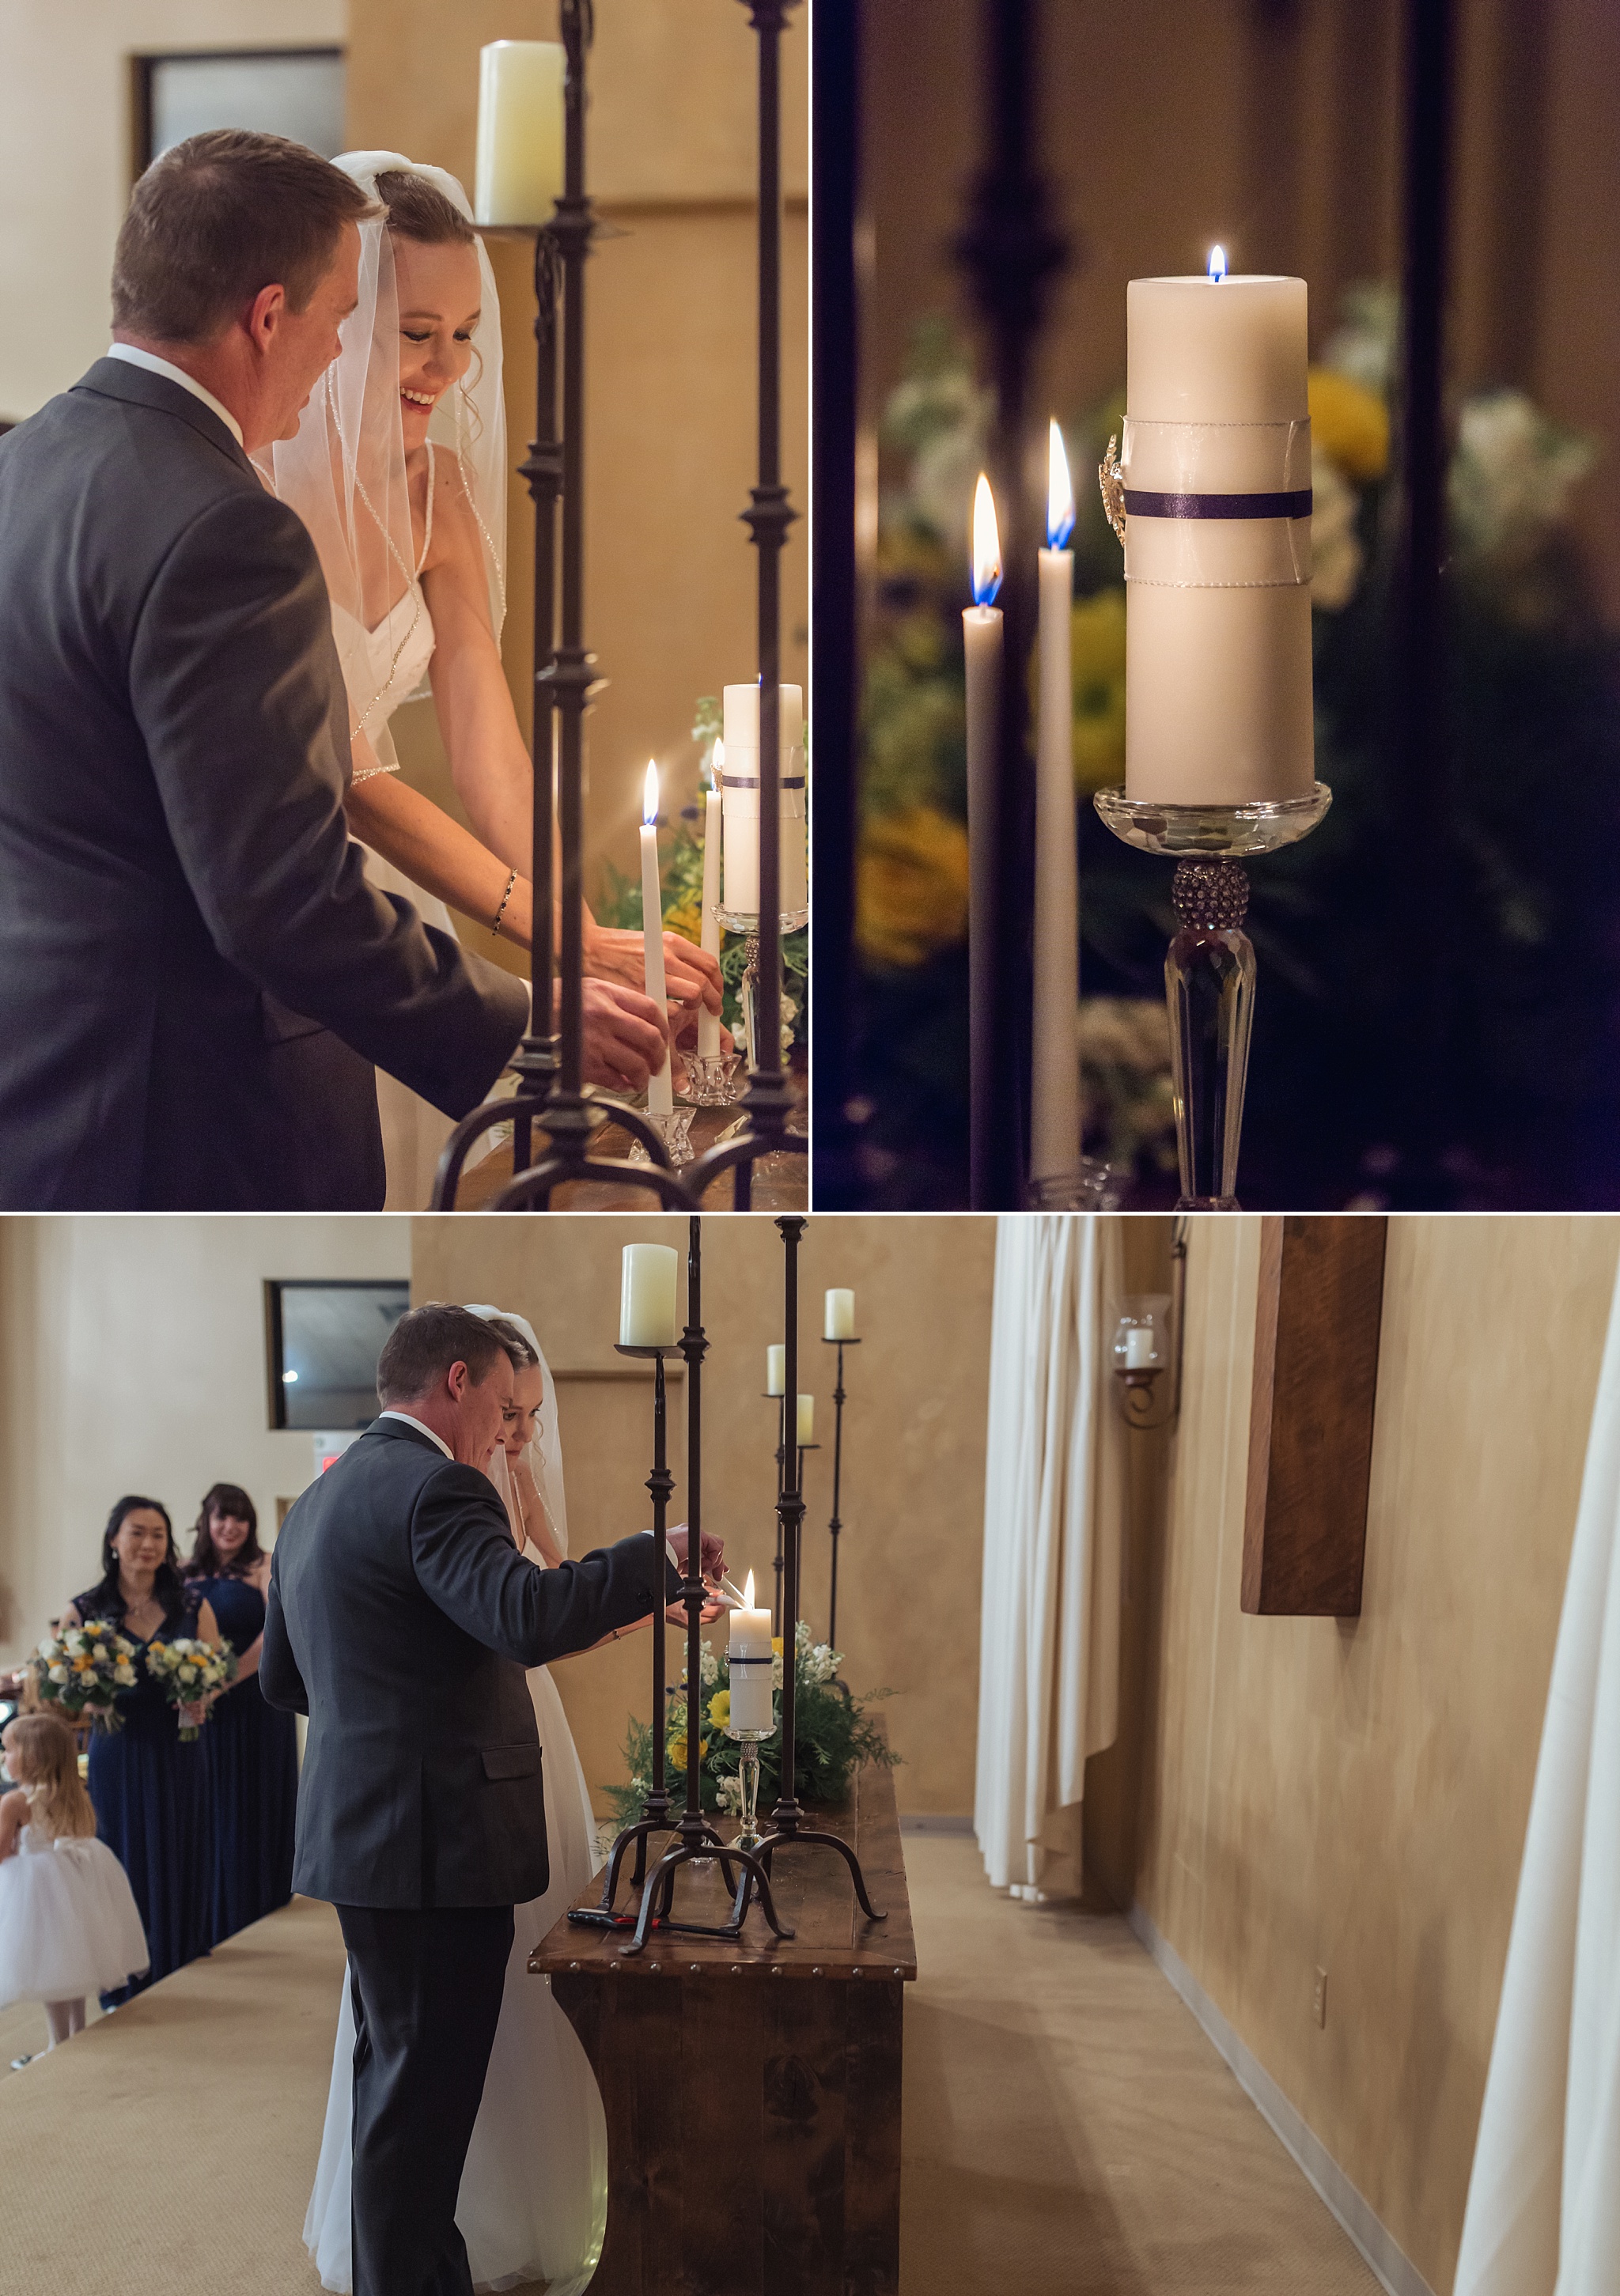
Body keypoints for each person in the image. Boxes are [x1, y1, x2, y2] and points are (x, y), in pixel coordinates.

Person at [0, 129, 668, 1209]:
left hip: (45, 1077)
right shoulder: (229, 528)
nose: (337, 353)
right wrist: (530, 1018)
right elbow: (279, 898)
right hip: (198, 1098)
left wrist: (567, 924)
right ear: (270, 315)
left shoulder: (22, 465)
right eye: (340, 318)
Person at [265, 153, 726, 1204]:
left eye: (466, 335)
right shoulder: (251, 504)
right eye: (416, 335)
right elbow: (350, 777)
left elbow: (491, 753)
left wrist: (591, 930)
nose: (447, 369)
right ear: (337, 328)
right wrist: (557, 937)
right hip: (274, 877)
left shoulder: (445, 496)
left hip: (377, 883)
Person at [261, 1303, 725, 2296]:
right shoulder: (434, 1487)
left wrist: (386, 1710)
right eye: (499, 1405)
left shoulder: (317, 1500)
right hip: (433, 1842)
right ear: (458, 1380)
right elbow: (523, 1613)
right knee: (420, 2111)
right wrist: (658, 1552)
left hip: (361, 1835)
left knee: (397, 2091)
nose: (501, 1432)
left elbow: (286, 1683)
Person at [57, 1500, 220, 1999]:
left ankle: (177, 1962)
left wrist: (202, 1698)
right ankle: (122, 1974)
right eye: (137, 1533)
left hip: (180, 1747)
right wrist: (89, 1700)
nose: (148, 1545)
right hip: (119, 1749)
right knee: (120, 1853)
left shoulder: (191, 1605)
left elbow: (215, 1672)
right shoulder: (84, 1610)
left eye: (158, 1535)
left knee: (181, 1849)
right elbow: (64, 1693)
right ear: (113, 1540)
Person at [184, 1482, 297, 1943]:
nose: (230, 1526)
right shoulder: (183, 1573)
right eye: (221, 1517)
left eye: (240, 1518)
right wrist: (196, 1689)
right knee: (207, 1801)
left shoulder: (264, 1566)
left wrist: (220, 1682)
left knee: (252, 1797)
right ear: (206, 1522)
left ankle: (256, 1902)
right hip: (199, 1707)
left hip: (256, 1702)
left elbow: (275, 1635)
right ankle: (210, 1904)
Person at [0, 1712, 150, 2045]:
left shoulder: (15, 1801)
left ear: (31, 1756)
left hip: (34, 1893)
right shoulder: (74, 1793)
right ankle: (78, 2028)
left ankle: (57, 2040)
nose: (4, 1757)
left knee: (52, 1966)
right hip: (75, 1885)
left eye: (8, 1749)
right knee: (74, 1959)